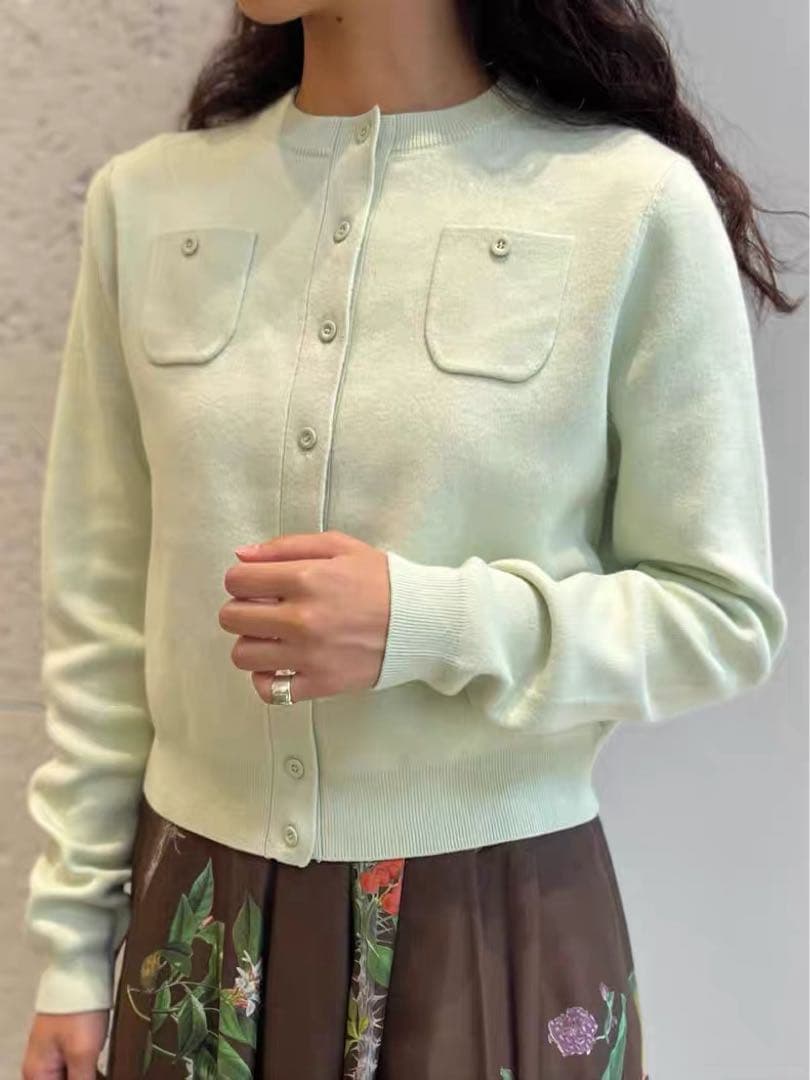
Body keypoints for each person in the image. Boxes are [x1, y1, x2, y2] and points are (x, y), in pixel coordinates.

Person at [21, 1, 799, 1077]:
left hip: (489, 926)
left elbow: (719, 618)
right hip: (193, 932)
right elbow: (101, 611)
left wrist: (425, 621)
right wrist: (71, 948)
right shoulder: (147, 204)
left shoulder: (630, 205)